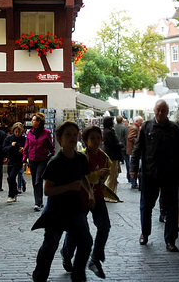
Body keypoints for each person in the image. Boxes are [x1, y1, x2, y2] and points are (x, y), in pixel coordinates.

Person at [31, 121, 94, 282]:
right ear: (59, 139)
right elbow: (47, 190)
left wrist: (90, 193)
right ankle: (40, 276)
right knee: (50, 246)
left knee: (86, 242)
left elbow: (83, 178)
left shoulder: (81, 158)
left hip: (75, 209)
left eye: (75, 134)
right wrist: (70, 186)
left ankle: (78, 274)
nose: (72, 138)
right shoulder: (55, 162)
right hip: (56, 212)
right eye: (68, 135)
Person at [130, 100, 179, 252]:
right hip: (149, 173)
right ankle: (145, 233)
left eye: (163, 111)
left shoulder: (174, 129)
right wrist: (133, 169)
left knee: (171, 208)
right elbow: (137, 149)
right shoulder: (147, 126)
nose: (160, 113)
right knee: (146, 206)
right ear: (154, 110)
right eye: (158, 110)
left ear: (167, 112)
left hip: (169, 174)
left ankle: (170, 240)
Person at [62, 125, 111, 279]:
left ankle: (95, 258)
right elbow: (80, 177)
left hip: (97, 197)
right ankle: (67, 253)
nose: (96, 141)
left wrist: (103, 176)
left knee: (104, 225)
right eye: (92, 139)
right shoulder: (82, 156)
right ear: (85, 140)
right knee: (76, 231)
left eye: (98, 138)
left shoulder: (104, 156)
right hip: (81, 198)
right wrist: (97, 174)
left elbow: (105, 174)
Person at [23, 113, 55, 211]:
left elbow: (51, 146)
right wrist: (24, 159)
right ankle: (38, 201)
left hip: (42, 159)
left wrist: (50, 155)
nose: (32, 122)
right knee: (34, 181)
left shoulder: (46, 133)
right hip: (32, 159)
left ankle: (38, 202)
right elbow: (26, 147)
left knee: (38, 180)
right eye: (32, 120)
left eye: (34, 120)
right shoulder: (30, 133)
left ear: (39, 122)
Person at [101, 116, 123, 202]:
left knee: (112, 176)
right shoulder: (109, 132)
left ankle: (112, 195)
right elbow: (114, 144)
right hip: (112, 156)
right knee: (112, 176)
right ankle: (110, 196)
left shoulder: (107, 131)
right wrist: (120, 144)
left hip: (111, 155)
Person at [3, 122, 26, 203]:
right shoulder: (9, 138)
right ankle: (15, 191)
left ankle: (11, 195)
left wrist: (23, 151)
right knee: (10, 178)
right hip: (11, 160)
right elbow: (4, 148)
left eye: (19, 132)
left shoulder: (24, 139)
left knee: (11, 177)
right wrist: (11, 146)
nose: (17, 133)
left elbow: (28, 149)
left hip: (18, 161)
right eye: (16, 132)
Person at [126, 117, 142, 189]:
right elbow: (130, 137)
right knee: (133, 164)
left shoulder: (134, 127)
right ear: (136, 121)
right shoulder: (134, 128)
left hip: (132, 149)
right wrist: (139, 142)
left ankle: (133, 182)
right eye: (140, 122)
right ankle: (133, 182)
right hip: (133, 149)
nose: (141, 123)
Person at [114, 115, 129, 182]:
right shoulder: (124, 128)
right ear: (122, 120)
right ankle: (129, 177)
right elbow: (126, 138)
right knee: (127, 162)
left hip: (116, 147)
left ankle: (115, 177)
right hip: (123, 147)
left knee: (115, 163)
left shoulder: (113, 127)